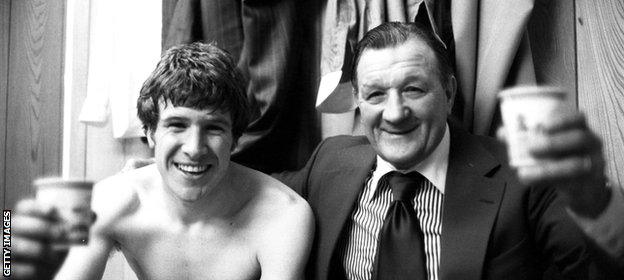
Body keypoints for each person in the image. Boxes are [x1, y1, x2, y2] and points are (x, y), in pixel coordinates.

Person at [275, 22, 624, 279]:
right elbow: (242, 188)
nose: (395, 113)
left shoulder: (531, 173)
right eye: (376, 95)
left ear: (449, 93)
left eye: (413, 89)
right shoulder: (329, 162)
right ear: (358, 103)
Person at [11, 42, 314, 280]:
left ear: (234, 137)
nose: (194, 148)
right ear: (150, 133)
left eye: (213, 128)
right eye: (177, 125)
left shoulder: (283, 215)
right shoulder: (111, 201)